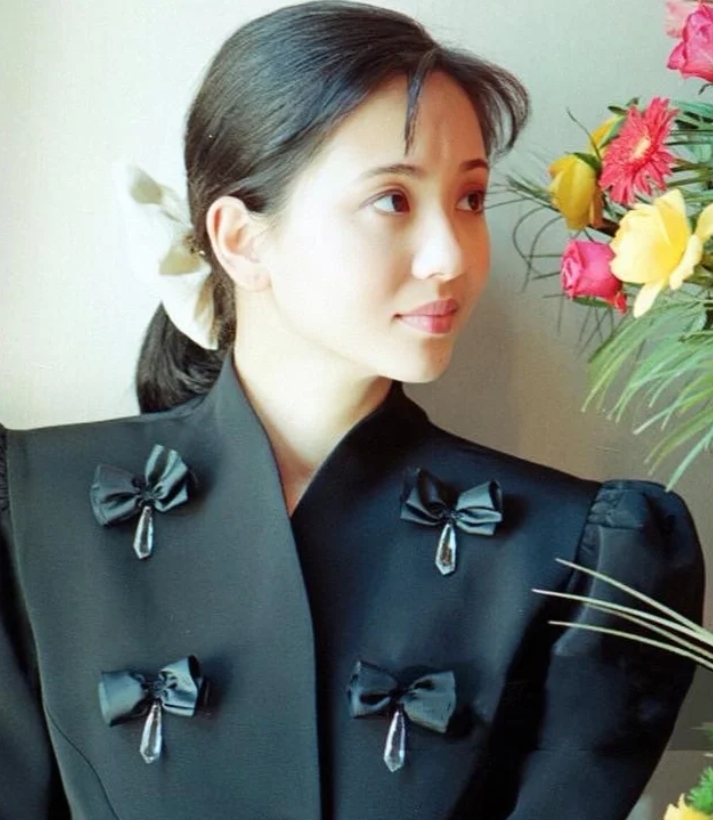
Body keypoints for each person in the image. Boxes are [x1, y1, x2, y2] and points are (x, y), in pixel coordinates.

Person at [0, 2, 704, 818]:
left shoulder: (586, 556)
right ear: (240, 240)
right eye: (392, 200)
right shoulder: (33, 509)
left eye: (470, 198)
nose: (450, 257)